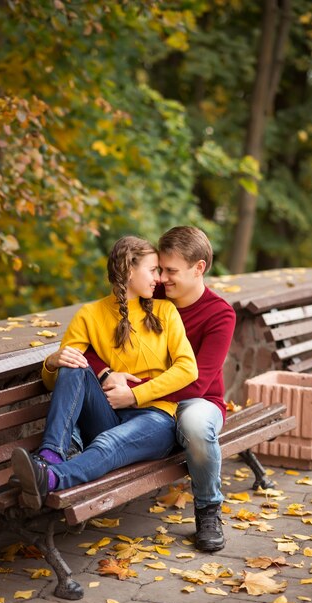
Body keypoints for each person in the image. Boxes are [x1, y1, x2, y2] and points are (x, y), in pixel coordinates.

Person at [70, 226, 236, 552]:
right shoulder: (151, 295)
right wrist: (107, 373)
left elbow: (197, 381)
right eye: (159, 269)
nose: (161, 278)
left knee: (194, 425)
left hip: (198, 399)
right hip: (149, 405)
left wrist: (134, 392)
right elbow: (91, 338)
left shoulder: (220, 314)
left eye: (171, 271)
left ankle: (208, 509)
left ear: (198, 267)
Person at [11, 235, 198, 510]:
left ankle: (50, 479)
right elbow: (58, 383)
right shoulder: (89, 314)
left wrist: (134, 395)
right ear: (129, 270)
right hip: (108, 414)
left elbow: (187, 368)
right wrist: (52, 362)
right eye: (153, 270)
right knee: (74, 366)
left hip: (156, 419)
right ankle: (50, 455)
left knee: (107, 442)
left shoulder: (165, 311)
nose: (158, 278)